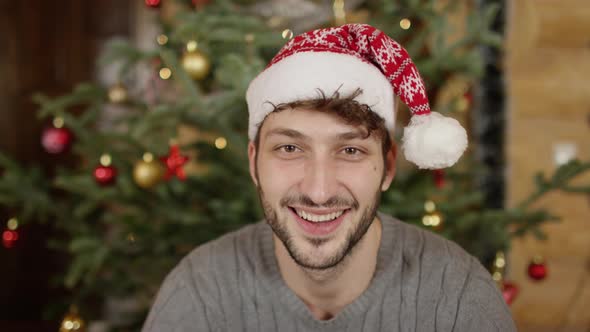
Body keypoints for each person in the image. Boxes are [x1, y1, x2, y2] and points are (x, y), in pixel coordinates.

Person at [142, 24, 516, 331]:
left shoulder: (460, 301)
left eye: (350, 150)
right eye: (290, 148)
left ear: (387, 167)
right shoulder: (198, 294)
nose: (319, 192)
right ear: (254, 163)